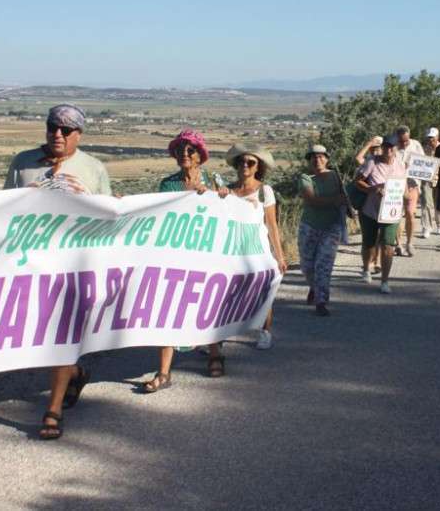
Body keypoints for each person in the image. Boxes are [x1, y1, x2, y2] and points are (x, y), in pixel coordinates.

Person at [4, 104, 111, 441]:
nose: (58, 135)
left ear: (79, 134)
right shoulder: (23, 163)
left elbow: (110, 217)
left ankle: (52, 409)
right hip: (32, 264)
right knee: (39, 333)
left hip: (74, 265)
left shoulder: (93, 168)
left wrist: (89, 199)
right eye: (53, 127)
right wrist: (27, 196)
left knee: (62, 335)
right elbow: (2, 209)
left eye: (67, 130)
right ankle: (76, 372)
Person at [145, 129, 228, 392]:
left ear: (200, 155)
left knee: (208, 306)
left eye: (190, 149)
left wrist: (221, 197)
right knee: (168, 309)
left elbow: (228, 214)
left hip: (206, 256)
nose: (185, 153)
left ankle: (215, 354)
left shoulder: (215, 182)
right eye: (180, 149)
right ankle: (164, 372)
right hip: (175, 257)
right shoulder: (168, 185)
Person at [225, 143, 287, 346]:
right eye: (241, 161)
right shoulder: (229, 191)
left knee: (262, 292)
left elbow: (272, 225)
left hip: (257, 250)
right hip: (233, 252)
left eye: (250, 162)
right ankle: (219, 335)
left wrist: (280, 256)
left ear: (257, 167)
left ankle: (265, 331)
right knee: (226, 293)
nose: (245, 165)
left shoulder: (264, 191)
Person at [297, 145, 346, 316]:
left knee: (324, 266)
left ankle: (321, 301)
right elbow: (312, 200)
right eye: (314, 157)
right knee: (307, 265)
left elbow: (345, 197)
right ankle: (314, 287)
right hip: (309, 226)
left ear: (327, 159)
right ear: (309, 161)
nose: (317, 160)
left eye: (321, 156)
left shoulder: (335, 176)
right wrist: (336, 200)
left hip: (332, 227)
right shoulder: (305, 178)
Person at [355, 135, 407, 294]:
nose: (388, 150)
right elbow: (358, 181)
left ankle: (385, 281)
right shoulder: (372, 161)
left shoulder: (401, 165)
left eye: (391, 147)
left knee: (388, 245)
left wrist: (403, 194)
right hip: (370, 211)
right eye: (386, 146)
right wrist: (373, 189)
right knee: (369, 243)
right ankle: (366, 269)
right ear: (382, 147)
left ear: (396, 148)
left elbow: (403, 186)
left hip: (391, 212)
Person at [392, 125, 424, 257]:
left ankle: (410, 243)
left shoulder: (416, 145)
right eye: (401, 141)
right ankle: (398, 244)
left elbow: (424, 163)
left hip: (412, 184)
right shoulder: (392, 148)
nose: (404, 144)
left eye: (406, 141)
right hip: (396, 185)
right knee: (397, 217)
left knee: (410, 213)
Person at [418, 128, 440, 238]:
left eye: (432, 137)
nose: (430, 139)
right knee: (426, 202)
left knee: (439, 203)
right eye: (428, 137)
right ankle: (426, 227)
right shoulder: (423, 149)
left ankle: (439, 224)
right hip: (427, 179)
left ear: (437, 137)